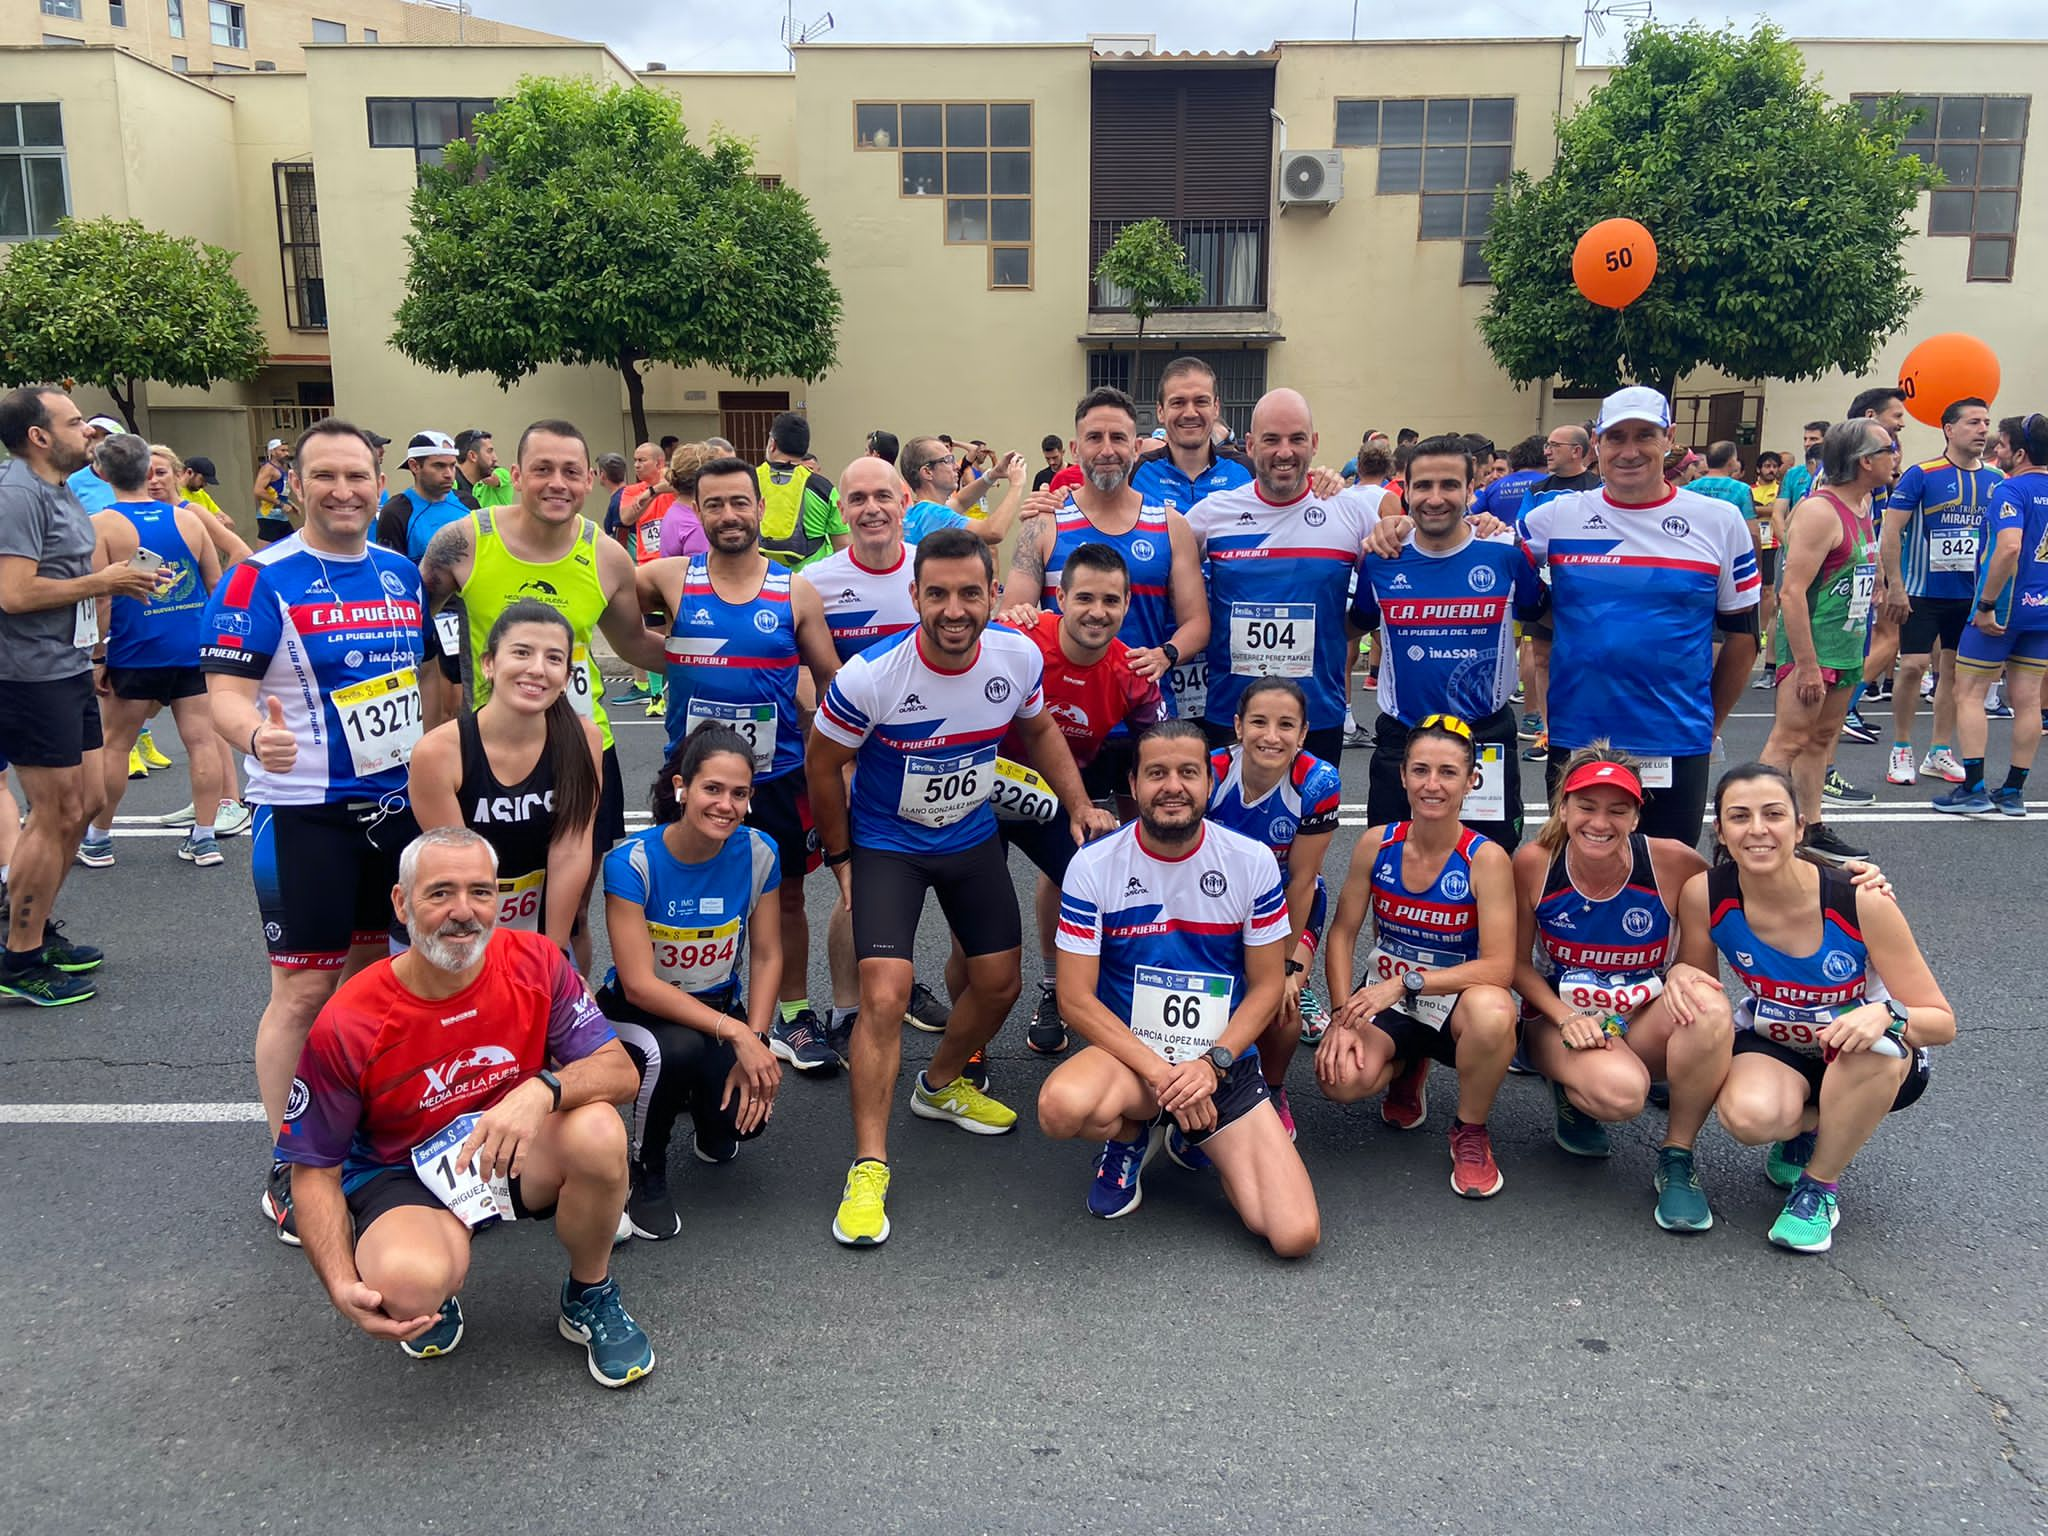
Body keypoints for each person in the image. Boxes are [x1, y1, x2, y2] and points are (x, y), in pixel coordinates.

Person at [807, 527, 1115, 1247]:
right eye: (937, 593)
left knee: (1000, 983)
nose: (954, 609)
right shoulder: (870, 677)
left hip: (970, 836)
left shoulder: (1016, 656)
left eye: (969, 593)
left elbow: (1040, 734)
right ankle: (870, 1164)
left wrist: (1075, 804)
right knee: (885, 989)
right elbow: (823, 767)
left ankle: (939, 1085)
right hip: (888, 844)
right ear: (914, 596)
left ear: (992, 597)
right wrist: (843, 861)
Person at [275, 826, 654, 1384]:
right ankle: (436, 1267)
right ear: (402, 903)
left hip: (509, 1147)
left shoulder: (536, 960)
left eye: (480, 892)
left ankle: (589, 1292)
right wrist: (337, 1281)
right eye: (440, 893)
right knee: (406, 1287)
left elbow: (618, 1070)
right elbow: (313, 1171)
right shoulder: (349, 1018)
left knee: (598, 1131)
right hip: (402, 1171)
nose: (464, 912)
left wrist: (541, 1089)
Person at [201, 419, 428, 1240]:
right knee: (301, 991)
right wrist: (251, 735)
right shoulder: (260, 579)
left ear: (378, 482)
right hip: (305, 812)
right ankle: (293, 1159)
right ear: (295, 483)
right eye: (325, 476)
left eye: (357, 476)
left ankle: (360, 1126)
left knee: (374, 982)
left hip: (396, 811)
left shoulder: (402, 575)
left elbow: (427, 687)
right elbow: (223, 690)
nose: (343, 491)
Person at [1036, 722, 1318, 1253]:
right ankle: (1131, 1135)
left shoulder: (1250, 861)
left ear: (1208, 785)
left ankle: (1195, 1133)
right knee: (1062, 1107)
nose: (1173, 786)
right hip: (1134, 1058)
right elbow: (1074, 998)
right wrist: (1166, 1076)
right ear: (1134, 784)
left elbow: (1265, 988)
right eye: (1157, 773)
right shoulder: (1093, 866)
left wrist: (1211, 1066)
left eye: (1188, 772)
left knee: (1294, 1235)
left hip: (1220, 1060)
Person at [1672, 763, 1954, 1252]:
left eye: (1774, 814)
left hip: (1864, 1054)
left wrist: (1888, 1014)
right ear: (1720, 830)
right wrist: (1678, 972)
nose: (1757, 829)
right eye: (1739, 816)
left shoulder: (1861, 898)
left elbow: (1942, 1022)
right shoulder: (1707, 893)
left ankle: (1819, 1187)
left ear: (1800, 826)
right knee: (1747, 1118)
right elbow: (1703, 989)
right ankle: (1818, 1125)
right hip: (1780, 1042)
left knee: (1874, 1045)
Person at [420, 419, 671, 968]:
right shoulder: (463, 541)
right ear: (516, 476)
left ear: (588, 483)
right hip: (485, 753)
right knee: (475, 905)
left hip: (581, 749)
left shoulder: (606, 556)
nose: (557, 483)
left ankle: (560, 1017)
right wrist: (428, 728)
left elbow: (635, 646)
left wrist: (727, 655)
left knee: (571, 911)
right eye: (542, 470)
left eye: (570, 472)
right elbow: (410, 636)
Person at [638, 456, 842, 1073]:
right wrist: (666, 652)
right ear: (695, 513)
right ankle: (676, 1008)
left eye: (739, 502)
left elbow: (830, 679)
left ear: (759, 508)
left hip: (774, 776)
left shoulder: (794, 589)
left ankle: (793, 1015)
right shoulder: (669, 579)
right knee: (672, 896)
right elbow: (606, 596)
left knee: (786, 898)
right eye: (714, 505)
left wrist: (837, 761)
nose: (728, 515)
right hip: (689, 777)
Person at [1519, 387, 1760, 842]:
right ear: (1597, 447)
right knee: (1575, 876)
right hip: (1578, 739)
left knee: (1668, 881)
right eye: (1616, 438)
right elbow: (1473, 547)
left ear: (1669, 438)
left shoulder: (1720, 520)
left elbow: (1743, 637)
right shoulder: (1553, 517)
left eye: (1644, 436)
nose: (1629, 451)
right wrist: (1399, 525)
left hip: (1675, 738)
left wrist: (1711, 723)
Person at [0, 388, 166, 1005]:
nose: (88, 432)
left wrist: (118, 590)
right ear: (39, 436)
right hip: (26, 674)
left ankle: (34, 928)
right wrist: (105, 580)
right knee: (57, 812)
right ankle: (18, 957)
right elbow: (13, 593)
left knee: (90, 799)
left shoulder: (60, 488)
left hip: (64, 664)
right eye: (74, 423)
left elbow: (65, 579)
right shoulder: (16, 494)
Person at [1512, 751, 1724, 1230]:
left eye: (1617, 809)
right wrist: (1566, 1017)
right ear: (1563, 808)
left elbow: (1749, 887)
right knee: (1623, 1095)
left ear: (1636, 814)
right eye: (1587, 806)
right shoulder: (1534, 863)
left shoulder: (1672, 862)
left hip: (1641, 1018)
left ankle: (1677, 1158)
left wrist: (1847, 884)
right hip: (1560, 1019)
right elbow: (1516, 966)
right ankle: (1568, 1083)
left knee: (1710, 1007)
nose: (1600, 822)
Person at [1316, 715, 1519, 1197]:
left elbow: (1499, 967)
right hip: (1387, 998)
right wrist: (1343, 1014)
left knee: (1495, 1013)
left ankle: (1470, 1130)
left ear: (1472, 781)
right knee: (1338, 1080)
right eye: (1421, 770)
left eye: (1448, 772)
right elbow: (1342, 934)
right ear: (1403, 775)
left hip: (1451, 1004)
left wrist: (1406, 983)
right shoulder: (1375, 844)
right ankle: (1407, 1066)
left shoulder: (1486, 859)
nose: (1433, 784)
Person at [596, 725, 784, 1241]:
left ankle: (703, 1114)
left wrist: (759, 1038)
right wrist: (738, 1034)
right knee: (674, 1050)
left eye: (739, 793)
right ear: (682, 788)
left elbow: (768, 955)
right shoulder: (632, 863)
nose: (726, 805)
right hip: (638, 1015)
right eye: (712, 789)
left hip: (716, 1008)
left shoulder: (760, 852)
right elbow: (637, 984)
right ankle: (643, 1166)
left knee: (742, 1123)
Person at [991, 542, 1166, 1056]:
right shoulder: (1019, 639)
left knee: (1102, 893)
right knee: (981, 923)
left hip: (1066, 796)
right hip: (986, 792)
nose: (1097, 612)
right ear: (1060, 597)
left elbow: (1153, 754)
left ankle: (1064, 992)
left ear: (1128, 604)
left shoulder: (1132, 672)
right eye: (1084, 597)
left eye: (1111, 601)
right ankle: (973, 1039)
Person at [803, 456, 951, 1056]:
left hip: (938, 752)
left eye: (882, 497)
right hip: (857, 760)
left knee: (926, 880)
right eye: (857, 498)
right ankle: (844, 1008)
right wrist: (844, 751)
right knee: (856, 887)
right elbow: (806, 681)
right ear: (841, 510)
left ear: (904, 504)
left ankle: (898, 982)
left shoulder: (932, 568)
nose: (870, 509)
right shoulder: (817, 581)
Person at [1352, 433, 1546, 852]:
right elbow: (1351, 628)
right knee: (1391, 866)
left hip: (1484, 736)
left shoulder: (1507, 554)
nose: (1435, 498)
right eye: (1423, 486)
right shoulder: (1382, 558)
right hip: (1402, 736)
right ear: (1405, 490)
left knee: (1489, 865)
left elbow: (1543, 621)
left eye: (1449, 485)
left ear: (1472, 490)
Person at [1186, 388, 1390, 766]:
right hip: (1231, 715)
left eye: (1297, 439)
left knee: (1309, 825)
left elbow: (1397, 574)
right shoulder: (1213, 514)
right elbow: (1157, 567)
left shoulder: (1349, 512)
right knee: (1229, 825)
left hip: (1316, 717)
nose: (1284, 451)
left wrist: (1407, 522)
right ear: (1249, 445)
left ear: (1313, 444)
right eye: (1271, 440)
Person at [1005, 386, 1209, 744]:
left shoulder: (1171, 525)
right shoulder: (1043, 523)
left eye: (1118, 437)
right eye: (1094, 438)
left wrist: (1166, 655)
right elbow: (1011, 618)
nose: (1107, 450)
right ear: (1075, 448)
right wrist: (1017, 617)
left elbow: (1197, 622)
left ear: (1136, 446)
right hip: (1062, 723)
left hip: (1146, 719)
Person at [408, 599, 603, 950]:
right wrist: (495, 964)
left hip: (538, 929)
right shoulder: (438, 752)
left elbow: (571, 851)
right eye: (522, 653)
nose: (537, 669)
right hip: (454, 926)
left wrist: (551, 954)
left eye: (554, 658)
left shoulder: (585, 739)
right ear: (488, 664)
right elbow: (459, 871)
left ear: (566, 679)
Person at [76, 434, 227, 869]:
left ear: (101, 474)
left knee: (115, 745)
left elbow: (101, 599)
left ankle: (100, 839)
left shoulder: (102, 525)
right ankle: (204, 838)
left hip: (135, 648)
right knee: (202, 742)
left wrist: (98, 657)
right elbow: (215, 586)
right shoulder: (190, 520)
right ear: (148, 471)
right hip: (191, 646)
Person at [1203, 677, 1341, 1131]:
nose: (1271, 735)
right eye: (1259, 722)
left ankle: (1274, 1088)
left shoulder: (1318, 781)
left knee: (1281, 1004)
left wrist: (1286, 968)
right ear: (1238, 726)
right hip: (1217, 902)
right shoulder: (1212, 771)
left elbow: (1303, 880)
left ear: (1303, 734)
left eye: (1286, 725)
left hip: (1286, 904)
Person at [1760, 420, 1893, 862]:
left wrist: (1873, 584)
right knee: (1789, 741)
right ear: (1864, 461)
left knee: (1822, 740)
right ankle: (1748, 830)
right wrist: (1807, 665)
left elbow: (1853, 564)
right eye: (1889, 448)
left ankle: (1810, 828)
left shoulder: (1865, 502)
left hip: (1847, 642)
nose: (1897, 455)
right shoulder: (1821, 511)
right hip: (1812, 648)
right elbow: (1790, 592)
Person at [1881, 397, 2003, 788]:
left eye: (1986, 422)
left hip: (1968, 595)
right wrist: (1894, 585)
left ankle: (1939, 750)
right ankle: (1901, 746)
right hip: (1921, 591)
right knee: (1914, 666)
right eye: (1973, 422)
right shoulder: (1922, 473)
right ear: (1949, 429)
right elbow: (1890, 533)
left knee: (1951, 671)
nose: (1983, 429)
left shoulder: (1997, 480)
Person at [1934, 411, 2048, 816]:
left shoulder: (2010, 490)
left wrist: (1985, 604)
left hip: (2002, 610)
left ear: (2019, 451)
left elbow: (2009, 547)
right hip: (2043, 611)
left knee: (1969, 693)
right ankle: (2014, 792)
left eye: (2001, 444)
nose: (1995, 450)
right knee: (2029, 700)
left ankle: (1975, 787)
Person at [1129, 356, 1254, 516]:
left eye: (1201, 401)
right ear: (1160, 411)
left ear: (1216, 408)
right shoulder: (1136, 473)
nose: (1190, 413)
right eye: (1178, 403)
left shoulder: (1247, 471)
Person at [757, 412, 849, 572]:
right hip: (812, 583)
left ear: (772, 444)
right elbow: (841, 546)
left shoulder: (750, 481)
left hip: (762, 583)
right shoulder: (823, 488)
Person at [898, 435, 1025, 547]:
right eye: (948, 460)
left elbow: (960, 502)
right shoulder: (936, 515)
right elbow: (993, 531)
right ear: (927, 472)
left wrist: (992, 475)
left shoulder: (918, 511)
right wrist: (1017, 484)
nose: (957, 466)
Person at [375, 431, 466, 564]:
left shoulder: (469, 503)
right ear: (414, 466)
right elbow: (391, 572)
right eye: (439, 466)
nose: (449, 474)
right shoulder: (395, 513)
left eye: (452, 466)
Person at [1472, 435, 1546, 521]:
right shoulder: (1551, 484)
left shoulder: (1494, 487)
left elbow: (1470, 514)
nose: (1494, 475)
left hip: (1501, 533)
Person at [452, 428, 515, 510]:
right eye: (489, 451)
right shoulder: (452, 483)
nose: (495, 458)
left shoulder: (501, 474)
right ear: (473, 456)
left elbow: (495, 478)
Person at [252, 438, 295, 545]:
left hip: (281, 517)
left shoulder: (282, 469)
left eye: (287, 450)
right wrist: (281, 504)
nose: (286, 453)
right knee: (265, 553)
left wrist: (290, 504)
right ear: (272, 452)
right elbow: (258, 491)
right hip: (269, 516)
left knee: (291, 547)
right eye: (282, 450)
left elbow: (277, 493)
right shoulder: (268, 469)